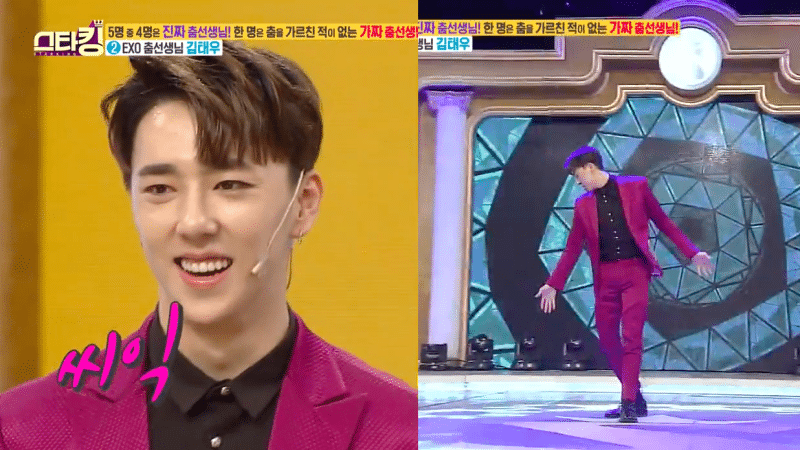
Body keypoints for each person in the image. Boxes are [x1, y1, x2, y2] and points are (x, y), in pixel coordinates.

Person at [0, 41, 416, 449]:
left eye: (229, 185)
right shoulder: (22, 431)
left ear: (303, 203)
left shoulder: (404, 432)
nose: (194, 223)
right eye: (160, 189)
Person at [535, 146, 713, 423]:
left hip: (634, 272)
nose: (578, 182)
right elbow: (572, 249)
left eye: (578, 175)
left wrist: (692, 252)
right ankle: (635, 395)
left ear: (590, 167)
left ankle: (628, 401)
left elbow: (663, 222)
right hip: (605, 276)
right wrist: (553, 284)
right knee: (607, 339)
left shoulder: (636, 187)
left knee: (632, 337)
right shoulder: (583, 205)